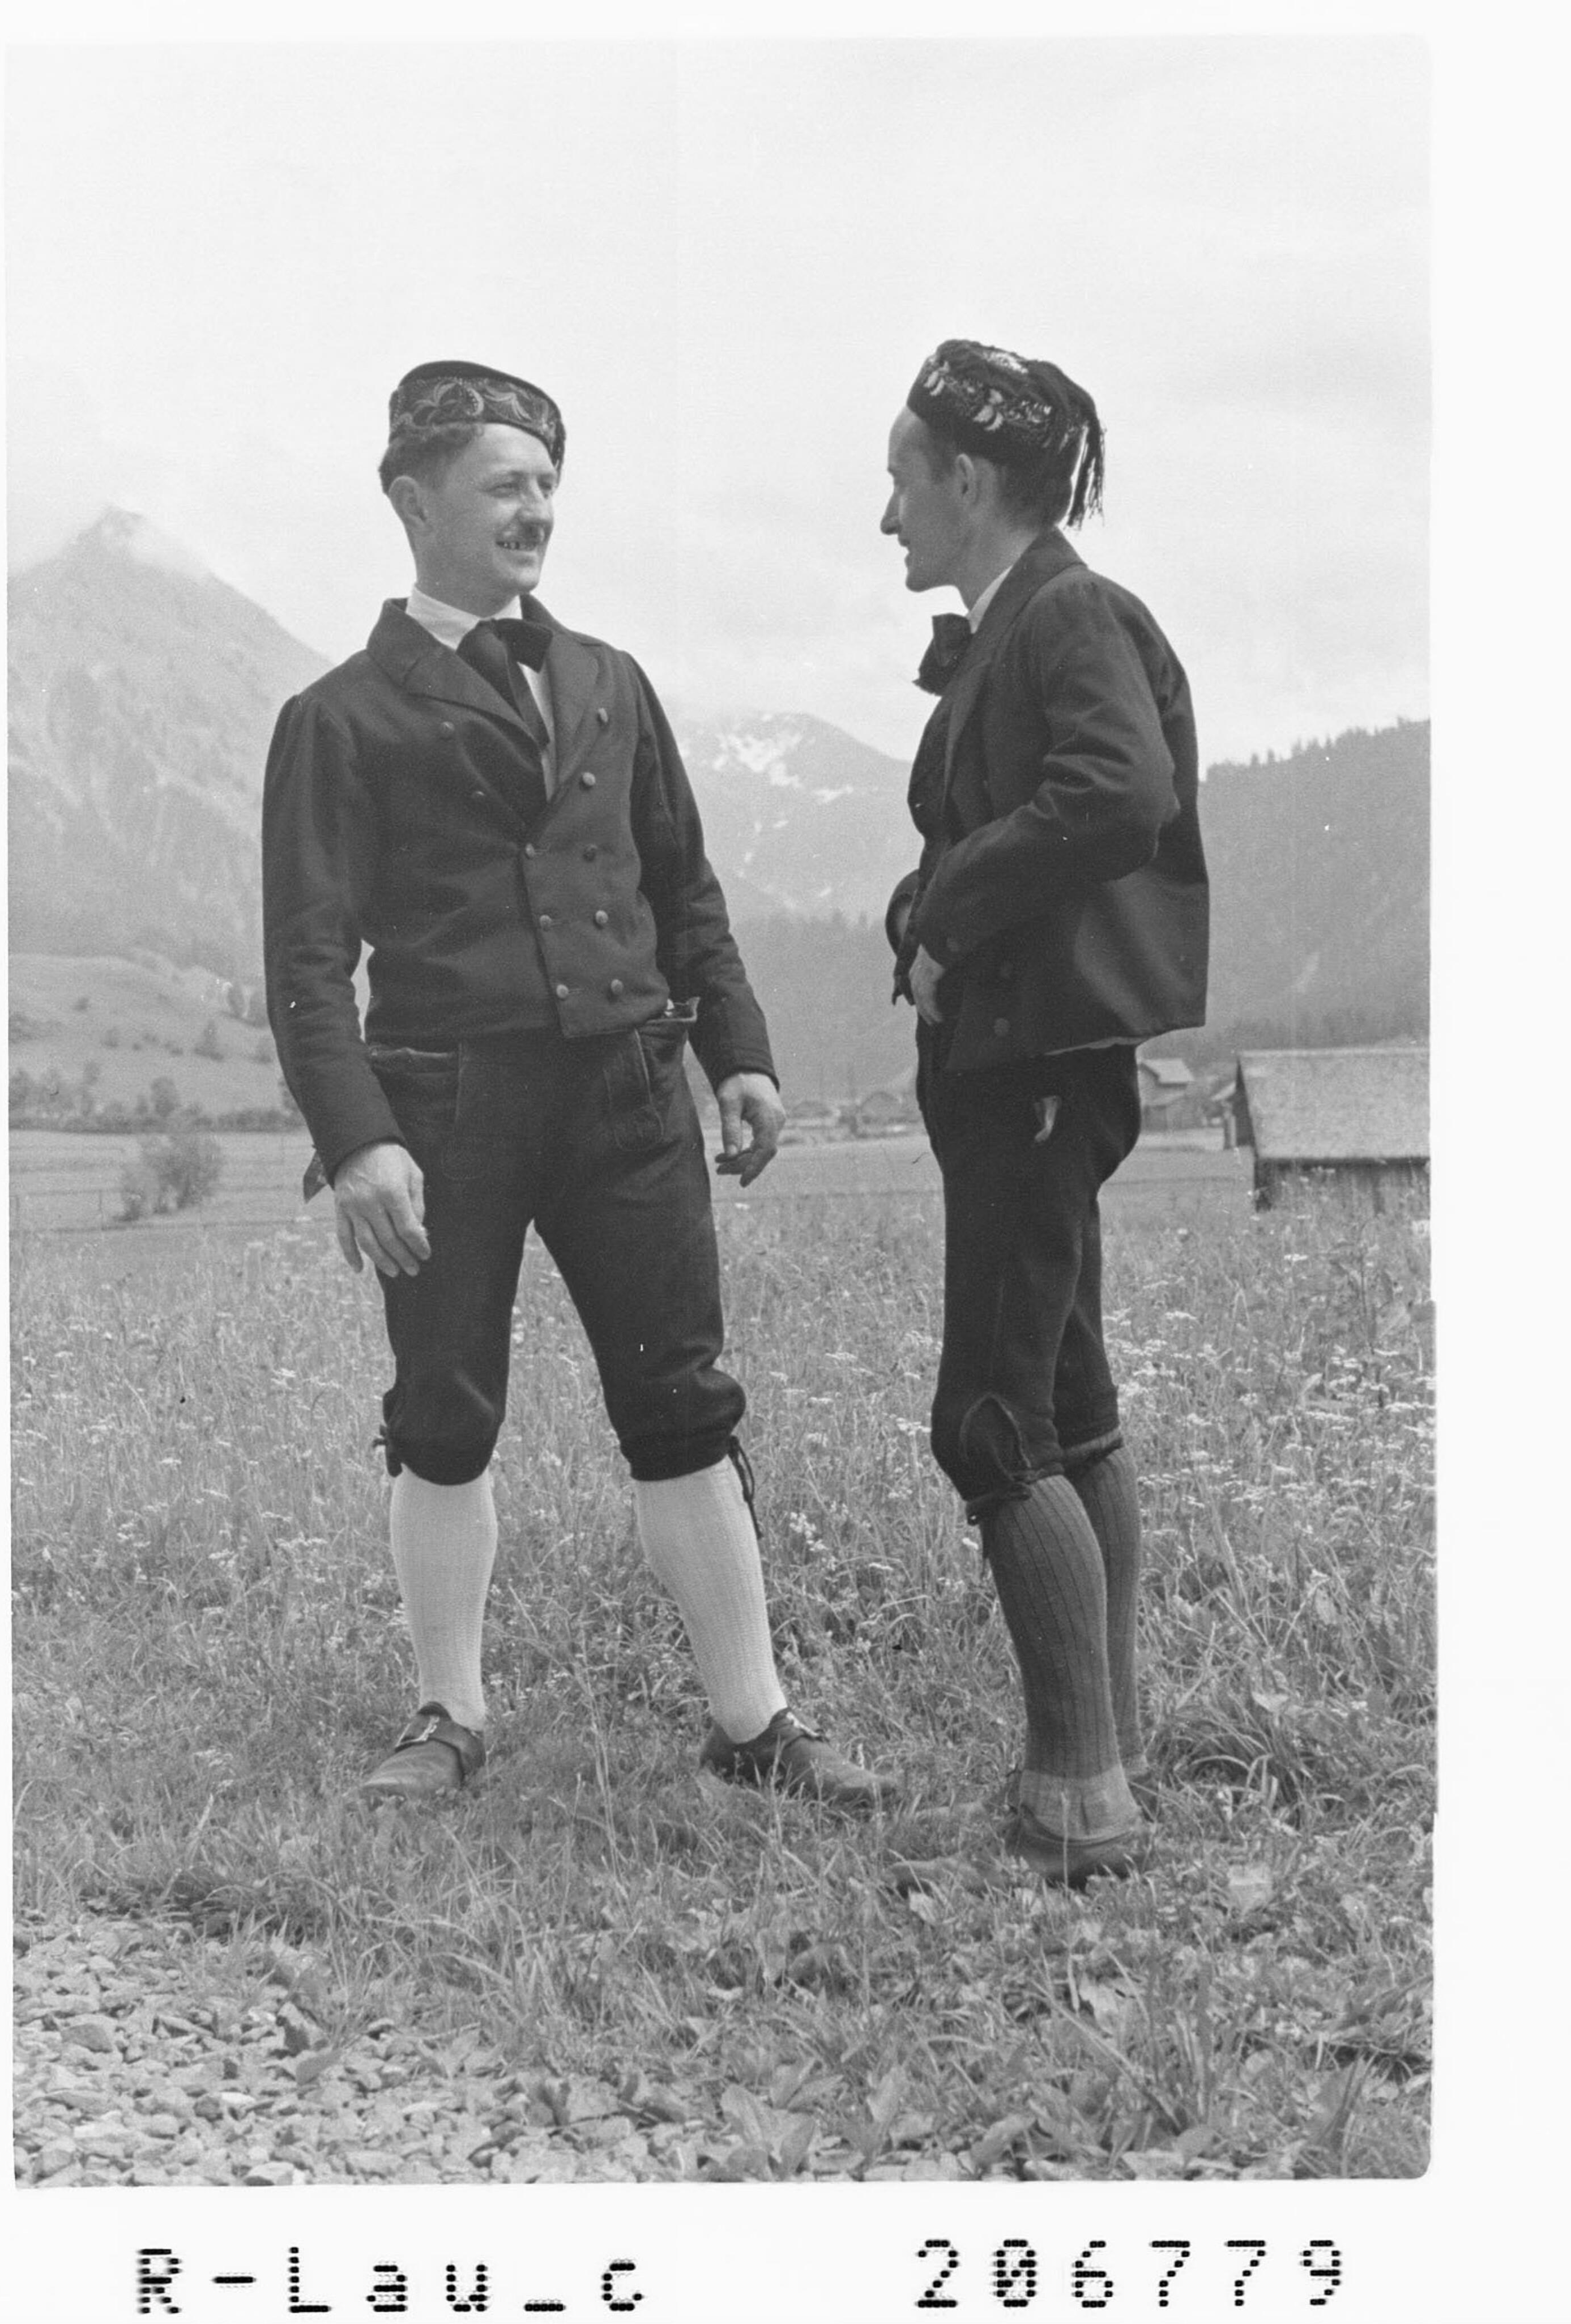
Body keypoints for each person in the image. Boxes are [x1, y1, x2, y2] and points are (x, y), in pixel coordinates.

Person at [263, 359, 895, 1812]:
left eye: (548, 484)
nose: (536, 510)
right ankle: (449, 1718)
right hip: (445, 1109)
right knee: (443, 1410)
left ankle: (754, 1725)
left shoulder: (612, 681)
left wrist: (739, 1054)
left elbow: (685, 890)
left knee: (682, 1400)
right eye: (505, 485)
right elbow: (306, 961)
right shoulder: (337, 716)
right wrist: (357, 1142)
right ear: (414, 503)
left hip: (627, 1097)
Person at [880, 339, 1207, 1882]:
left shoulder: (1067, 614)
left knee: (993, 1422)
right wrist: (924, 911)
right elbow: (1008, 825)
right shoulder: (1019, 625)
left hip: (1030, 1072)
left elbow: (1116, 795)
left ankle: (1079, 1797)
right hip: (1021, 1069)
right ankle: (1106, 1756)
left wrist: (949, 916)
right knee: (1068, 1409)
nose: (888, 515)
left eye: (901, 481)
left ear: (966, 479)